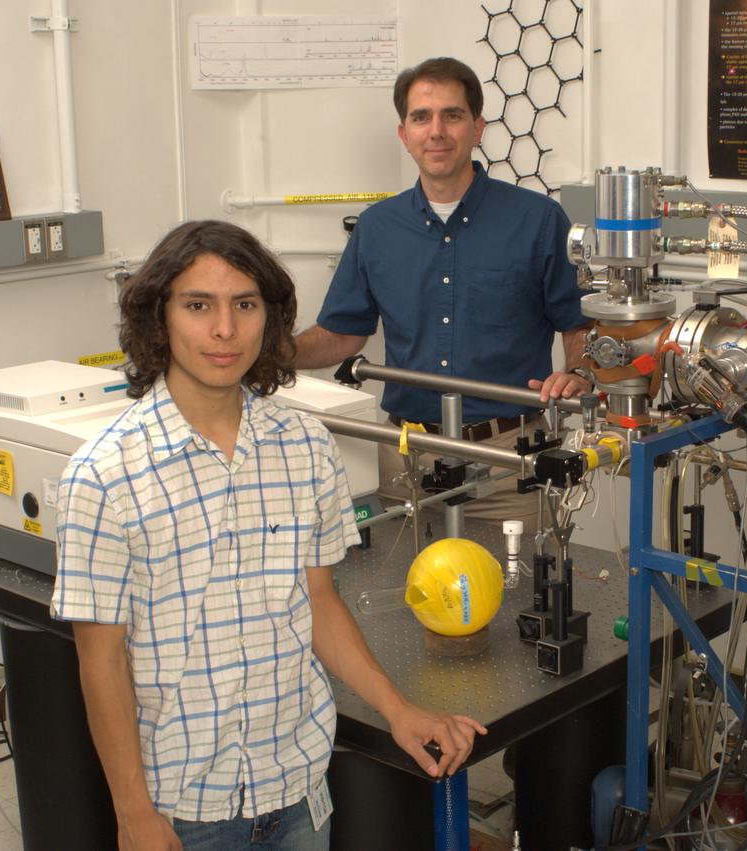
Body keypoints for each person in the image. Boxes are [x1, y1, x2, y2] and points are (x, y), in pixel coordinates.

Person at [52, 220, 486, 850]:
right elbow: (101, 661)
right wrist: (132, 812)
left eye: (245, 305)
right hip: (184, 808)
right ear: (159, 319)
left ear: (269, 319)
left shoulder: (305, 446)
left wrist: (399, 711)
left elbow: (318, 602)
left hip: (299, 790)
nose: (224, 330)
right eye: (198, 306)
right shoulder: (103, 475)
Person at [293, 57, 593, 528]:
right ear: (404, 134)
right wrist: (271, 355)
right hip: (405, 461)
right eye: (421, 117)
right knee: (399, 576)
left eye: (452, 115)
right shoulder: (376, 228)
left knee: (521, 577)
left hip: (510, 465)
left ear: (477, 128)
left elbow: (578, 323)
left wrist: (578, 374)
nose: (436, 131)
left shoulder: (537, 220)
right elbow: (342, 334)